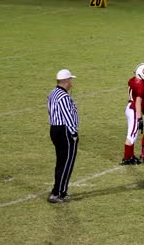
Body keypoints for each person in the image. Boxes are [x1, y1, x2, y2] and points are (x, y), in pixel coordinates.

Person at [47, 69, 79, 203]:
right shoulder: (64, 97)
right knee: (66, 162)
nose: (71, 83)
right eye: (70, 80)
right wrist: (74, 133)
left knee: (61, 161)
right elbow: (68, 116)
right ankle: (58, 193)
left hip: (54, 129)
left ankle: (59, 190)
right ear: (66, 81)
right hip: (65, 131)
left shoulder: (52, 93)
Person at [121, 63, 144, 165]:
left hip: (131, 108)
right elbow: (138, 102)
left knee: (132, 134)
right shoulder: (141, 85)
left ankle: (130, 156)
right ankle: (127, 158)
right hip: (134, 110)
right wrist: (139, 118)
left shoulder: (134, 80)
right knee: (131, 135)